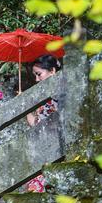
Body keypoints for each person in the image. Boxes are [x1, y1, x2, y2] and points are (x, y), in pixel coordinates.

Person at [25, 54, 61, 192]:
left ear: (52, 71)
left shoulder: (61, 89)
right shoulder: (44, 95)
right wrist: (25, 106)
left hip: (56, 144)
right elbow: (35, 123)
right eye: (35, 75)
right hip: (43, 145)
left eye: (39, 74)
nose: (36, 79)